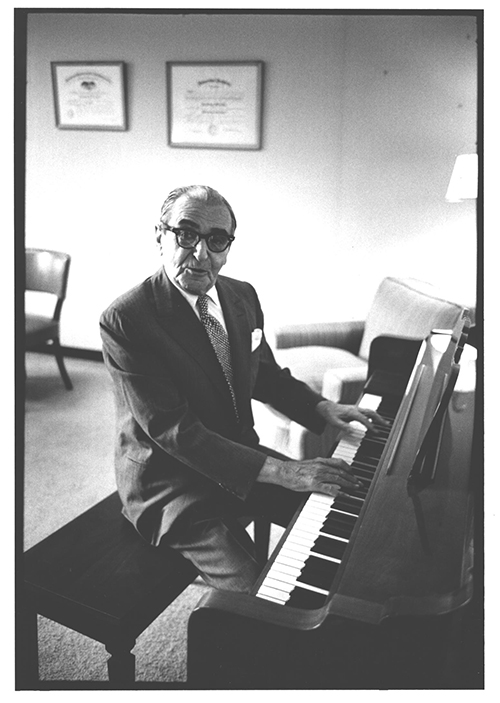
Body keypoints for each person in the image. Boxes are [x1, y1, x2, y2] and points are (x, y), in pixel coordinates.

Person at [100, 185, 384, 593]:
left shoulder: (241, 295)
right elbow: (174, 432)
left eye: (216, 240)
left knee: (344, 510)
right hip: (172, 483)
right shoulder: (126, 319)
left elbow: (263, 373)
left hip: (237, 455)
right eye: (186, 234)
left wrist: (322, 408)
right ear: (159, 235)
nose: (201, 254)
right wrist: (285, 471)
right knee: (259, 593)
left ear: (228, 245)